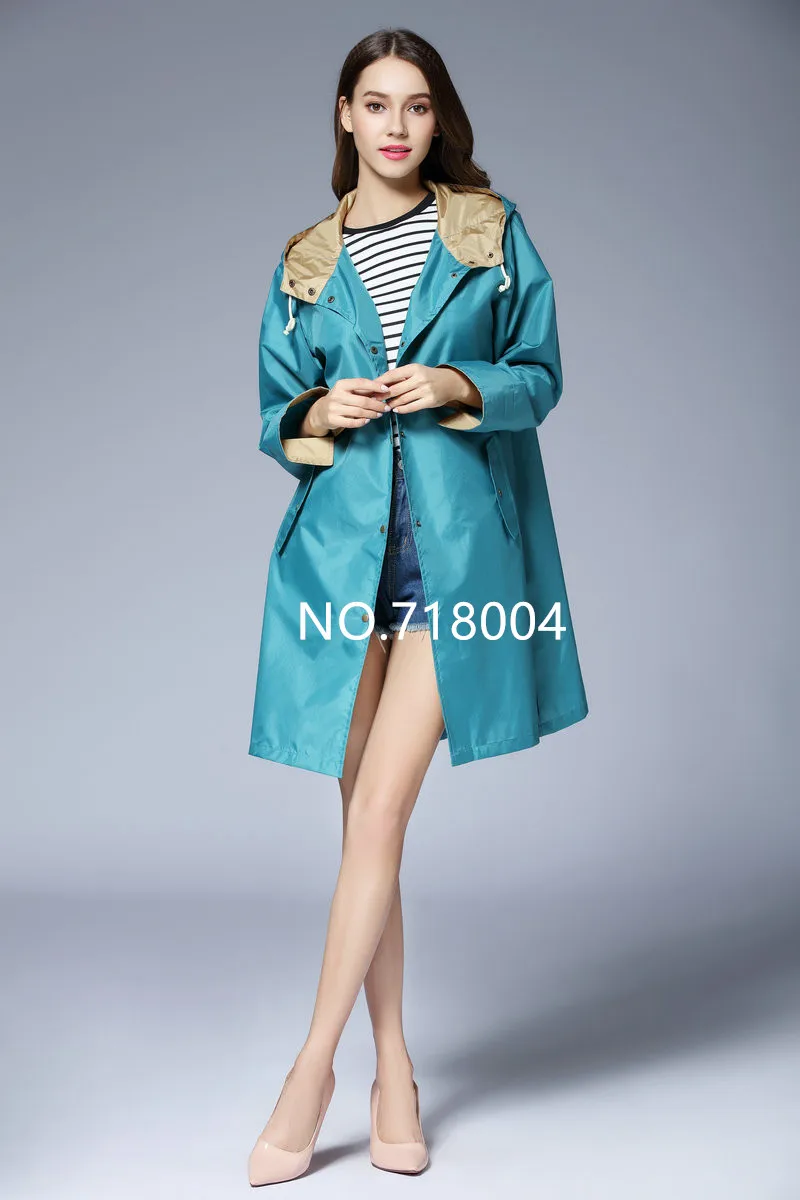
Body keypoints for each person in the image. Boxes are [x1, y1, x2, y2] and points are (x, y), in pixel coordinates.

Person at [247, 26, 588, 1186]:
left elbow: (538, 374)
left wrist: (454, 383)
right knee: (364, 830)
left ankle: (309, 1072)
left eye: (417, 104)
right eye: (376, 103)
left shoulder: (487, 232)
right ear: (345, 116)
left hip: (460, 568)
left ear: (437, 119)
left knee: (379, 814)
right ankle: (393, 1070)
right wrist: (318, 414)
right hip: (340, 570)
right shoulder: (305, 260)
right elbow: (273, 411)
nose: (396, 125)